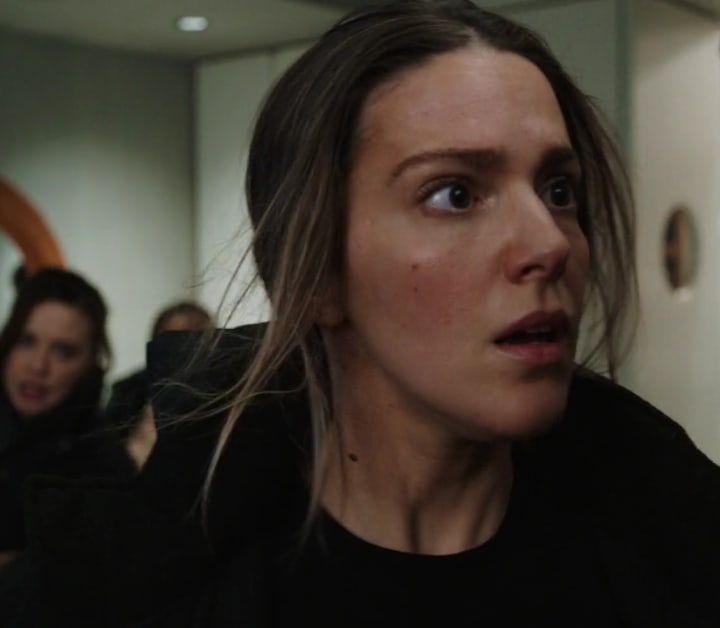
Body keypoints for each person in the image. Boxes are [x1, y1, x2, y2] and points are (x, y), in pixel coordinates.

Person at [9, 2, 720, 626]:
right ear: (315, 272)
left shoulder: (671, 554)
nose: (550, 243)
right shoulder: (119, 591)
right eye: (455, 195)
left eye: (559, 191)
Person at [0, 268, 130, 569]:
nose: (38, 365)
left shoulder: (103, 471)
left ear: (90, 365)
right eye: (27, 341)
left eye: (63, 351)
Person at [103, 301, 213, 467]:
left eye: (201, 340)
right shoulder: (129, 391)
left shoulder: (225, 393)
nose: (190, 350)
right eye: (179, 341)